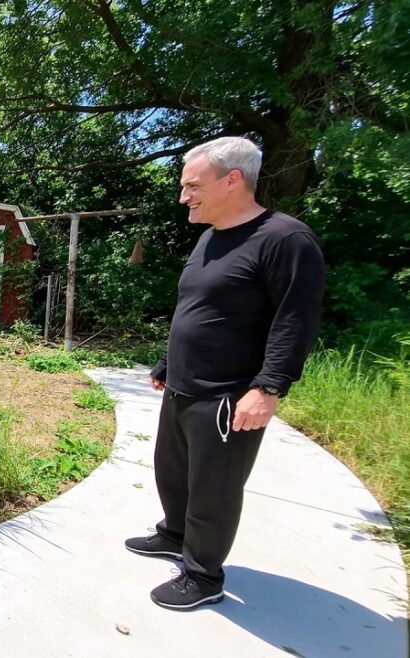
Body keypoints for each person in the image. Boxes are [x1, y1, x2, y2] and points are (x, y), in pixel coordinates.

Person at [124, 136, 325, 609]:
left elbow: (295, 320)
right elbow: (196, 306)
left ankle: (203, 575)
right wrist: (168, 362)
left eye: (193, 186)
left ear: (232, 180)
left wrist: (268, 388)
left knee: (214, 488)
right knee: (173, 472)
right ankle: (175, 534)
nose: (184, 197)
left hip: (227, 395)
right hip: (183, 386)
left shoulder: (285, 239)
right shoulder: (210, 238)